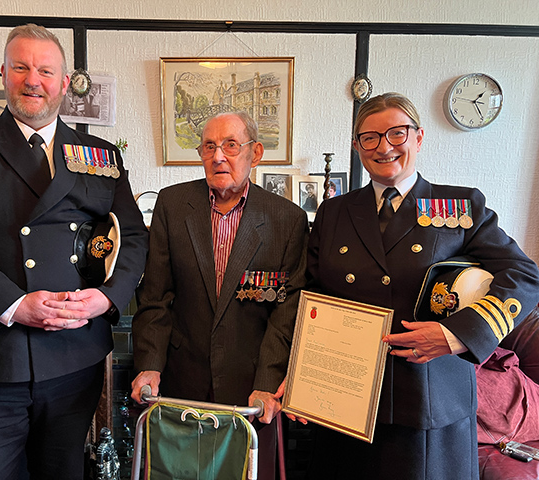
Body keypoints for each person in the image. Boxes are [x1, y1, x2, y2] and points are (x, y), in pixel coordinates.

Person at [0, 24, 149, 479]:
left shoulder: (100, 155)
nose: (32, 80)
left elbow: (133, 238)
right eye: (21, 67)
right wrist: (15, 304)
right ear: (3, 74)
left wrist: (106, 298)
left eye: (45, 70)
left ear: (64, 83)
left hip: (73, 357)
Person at [305, 92, 539, 479]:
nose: (384, 147)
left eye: (397, 134)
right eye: (370, 137)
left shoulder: (460, 207)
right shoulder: (334, 211)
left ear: (418, 137)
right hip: (345, 398)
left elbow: (524, 275)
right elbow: (313, 296)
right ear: (357, 145)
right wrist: (305, 378)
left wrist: (458, 334)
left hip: (430, 402)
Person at [130, 111, 309, 479]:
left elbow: (287, 312)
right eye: (209, 146)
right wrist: (150, 363)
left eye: (230, 145)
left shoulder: (287, 219)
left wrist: (266, 382)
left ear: (255, 152)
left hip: (252, 394)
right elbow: (156, 295)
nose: (218, 156)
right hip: (181, 384)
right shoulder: (172, 204)